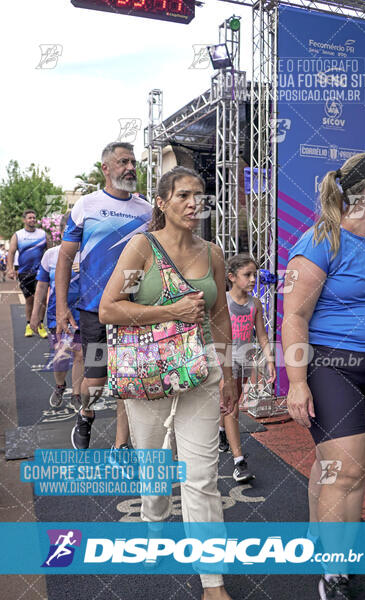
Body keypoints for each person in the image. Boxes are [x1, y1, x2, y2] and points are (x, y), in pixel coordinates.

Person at [99, 166, 237, 600]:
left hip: (200, 371)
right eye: (182, 195)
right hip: (150, 375)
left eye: (199, 195)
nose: (193, 203)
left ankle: (212, 584)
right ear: (161, 202)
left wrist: (229, 372)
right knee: (155, 469)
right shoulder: (142, 248)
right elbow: (109, 308)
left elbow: (219, 316)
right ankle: (154, 521)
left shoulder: (212, 253)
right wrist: (171, 312)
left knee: (201, 476)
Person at [282, 149, 365, 600]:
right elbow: (293, 316)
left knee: (333, 465)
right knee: (350, 471)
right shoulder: (322, 240)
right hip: (334, 367)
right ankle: (335, 574)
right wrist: (295, 382)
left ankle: (318, 534)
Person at [55, 142, 152, 450]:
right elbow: (65, 258)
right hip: (95, 310)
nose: (131, 167)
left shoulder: (147, 209)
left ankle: (121, 443)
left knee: (127, 382)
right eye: (123, 161)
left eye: (133, 161)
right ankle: (85, 414)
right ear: (106, 169)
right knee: (95, 384)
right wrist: (60, 307)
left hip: (134, 310)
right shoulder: (87, 205)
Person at [219, 254, 276, 483]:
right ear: (232, 277)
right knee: (232, 406)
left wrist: (269, 360)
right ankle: (239, 462)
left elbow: (261, 335)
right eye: (247, 275)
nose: (253, 279)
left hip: (245, 360)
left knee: (232, 402)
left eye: (255, 274)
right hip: (224, 361)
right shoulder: (222, 302)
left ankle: (221, 433)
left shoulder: (256, 304)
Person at [31, 213, 83, 410]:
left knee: (80, 354)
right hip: (57, 313)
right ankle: (61, 385)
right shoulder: (50, 255)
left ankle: (77, 394)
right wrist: (35, 315)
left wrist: (85, 269)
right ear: (62, 232)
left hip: (82, 313)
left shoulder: (89, 254)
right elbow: (42, 287)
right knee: (61, 355)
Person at [7, 209, 48, 338]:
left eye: (34, 218)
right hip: (25, 272)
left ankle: (40, 325)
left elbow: (50, 251)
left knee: (41, 299)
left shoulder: (43, 234)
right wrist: (10, 269)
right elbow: (11, 252)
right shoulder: (18, 235)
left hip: (41, 271)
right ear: (24, 220)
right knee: (29, 300)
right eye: (29, 218)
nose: (32, 220)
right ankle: (29, 325)